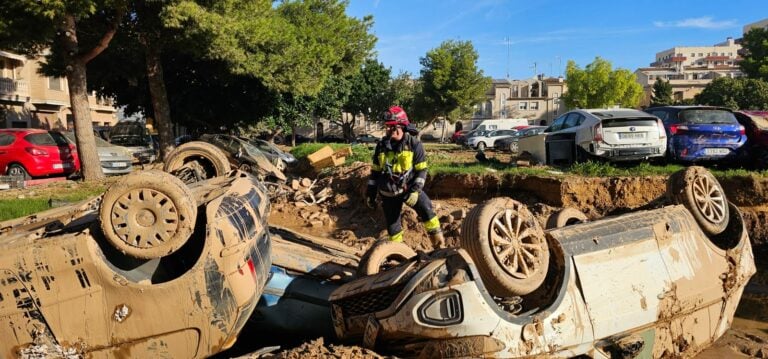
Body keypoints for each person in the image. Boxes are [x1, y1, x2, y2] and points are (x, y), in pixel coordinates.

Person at [366, 106, 445, 248]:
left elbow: (422, 171)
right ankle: (398, 255)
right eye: (387, 127)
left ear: (401, 126)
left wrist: (415, 190)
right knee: (393, 227)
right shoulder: (381, 146)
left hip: (409, 188)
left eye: (392, 127)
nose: (388, 130)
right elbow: (375, 172)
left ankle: (439, 246)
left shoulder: (414, 144)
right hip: (388, 193)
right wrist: (370, 194)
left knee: (427, 211)